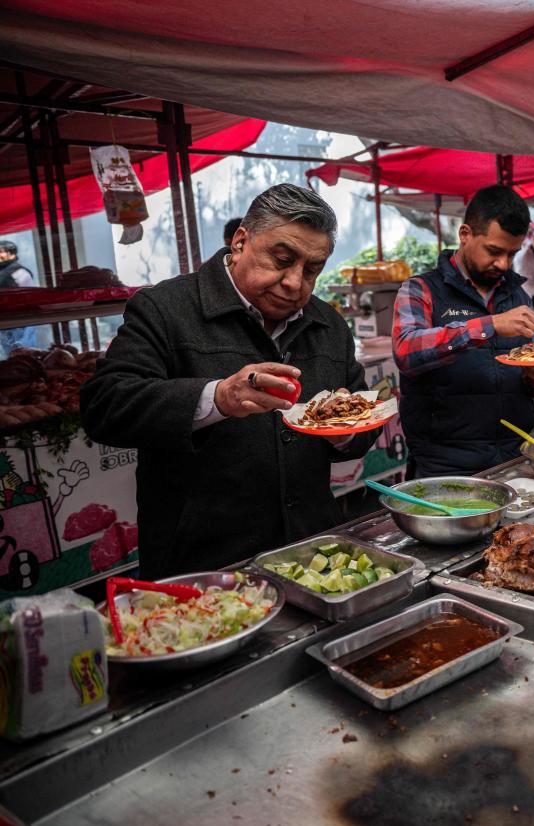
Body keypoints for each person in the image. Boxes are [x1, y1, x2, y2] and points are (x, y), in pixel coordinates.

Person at [80, 184, 379, 578]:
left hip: (312, 553)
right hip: (202, 562)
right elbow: (105, 406)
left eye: (311, 270)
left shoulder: (328, 325)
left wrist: (343, 428)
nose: (294, 282)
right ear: (240, 242)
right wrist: (217, 398)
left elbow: (361, 425)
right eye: (281, 259)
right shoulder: (165, 310)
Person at [392, 185, 534, 477]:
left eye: (512, 253)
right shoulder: (421, 289)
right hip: (444, 468)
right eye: (494, 251)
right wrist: (490, 325)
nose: (503, 264)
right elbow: (407, 351)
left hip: (515, 460)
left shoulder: (518, 297)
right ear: (465, 234)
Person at [0, 240, 38, 354]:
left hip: (21, 324)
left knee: (25, 353)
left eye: (1, 252)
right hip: (5, 322)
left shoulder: (19, 272)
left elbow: (29, 297)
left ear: (12, 254)